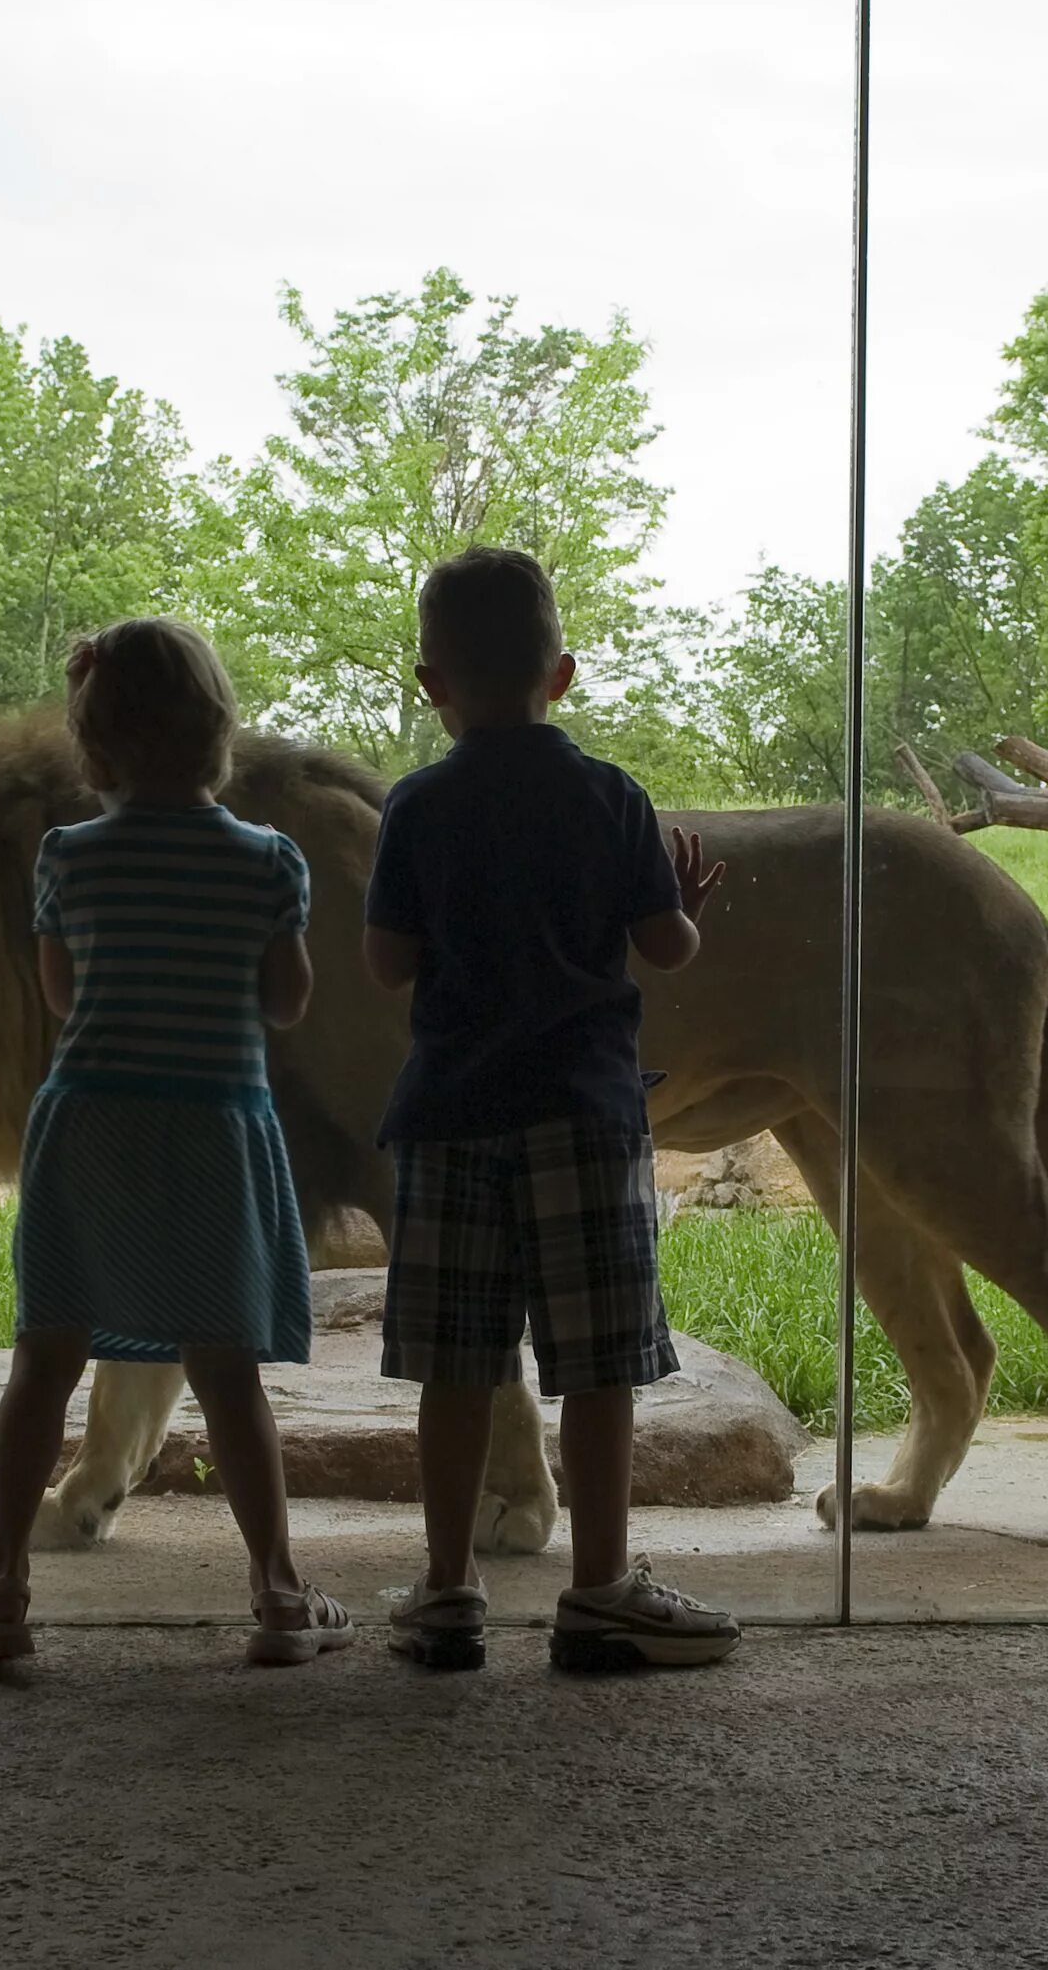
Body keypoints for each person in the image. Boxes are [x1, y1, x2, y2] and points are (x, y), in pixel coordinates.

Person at [363, 546, 740, 1674]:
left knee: (458, 1364)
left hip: (451, 1116)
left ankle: (446, 1590)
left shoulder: (417, 805)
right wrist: (686, 904)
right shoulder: (612, 795)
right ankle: (599, 1588)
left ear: (432, 684)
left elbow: (387, 965)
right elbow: (665, 946)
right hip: (583, 1113)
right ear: (561, 673)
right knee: (595, 1364)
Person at [0, 618, 352, 1668]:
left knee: (46, 1356)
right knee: (227, 1373)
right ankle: (275, 1589)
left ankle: (0, 1590)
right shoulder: (270, 860)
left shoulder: (67, 856)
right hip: (214, 1127)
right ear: (220, 732)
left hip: (91, 1123)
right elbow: (287, 1000)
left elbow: (59, 989)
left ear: (93, 751)